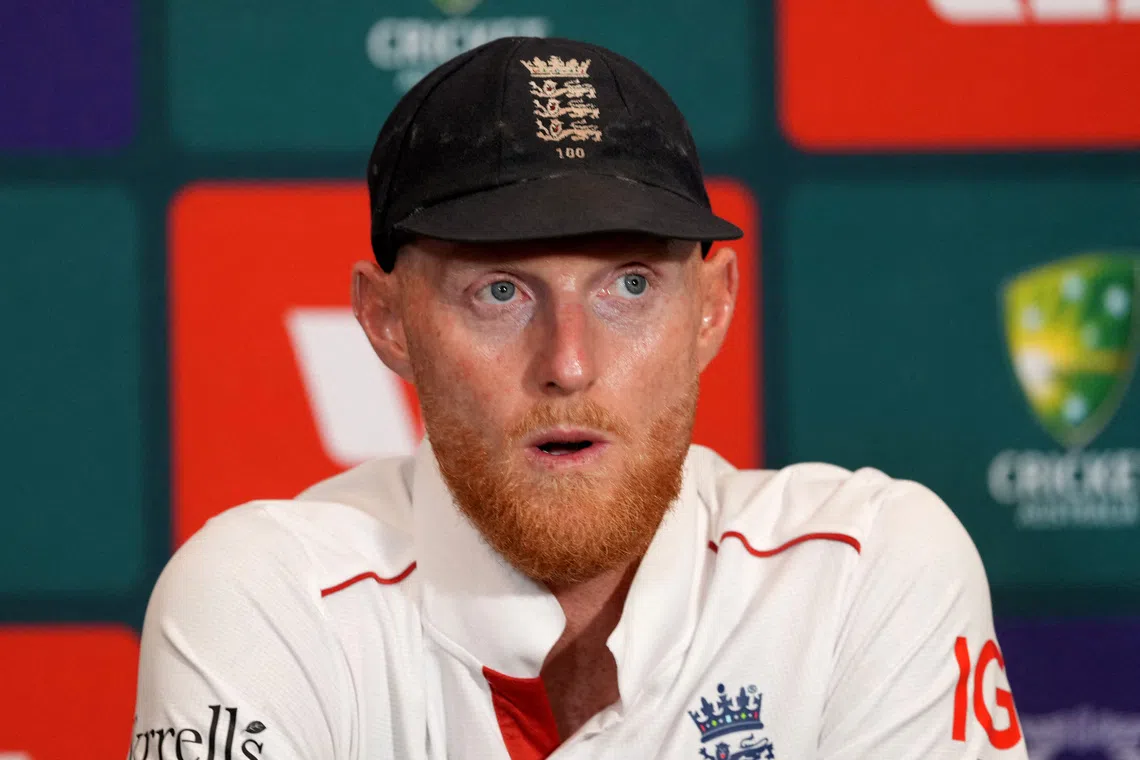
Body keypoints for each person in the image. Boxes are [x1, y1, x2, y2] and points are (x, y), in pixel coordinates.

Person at [131, 37, 1027, 760]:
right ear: (387, 321)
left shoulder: (861, 571)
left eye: (629, 286)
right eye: (500, 292)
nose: (567, 362)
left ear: (712, 307)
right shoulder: (268, 601)